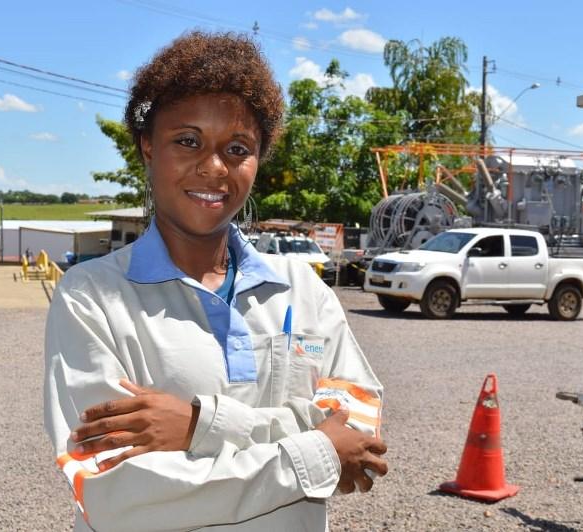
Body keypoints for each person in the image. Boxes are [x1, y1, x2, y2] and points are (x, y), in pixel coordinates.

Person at [44, 31, 387, 532]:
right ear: (147, 146)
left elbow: (358, 433)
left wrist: (199, 426)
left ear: (258, 160)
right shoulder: (92, 298)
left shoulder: (303, 289)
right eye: (187, 140)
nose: (213, 167)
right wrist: (313, 451)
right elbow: (117, 492)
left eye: (237, 148)